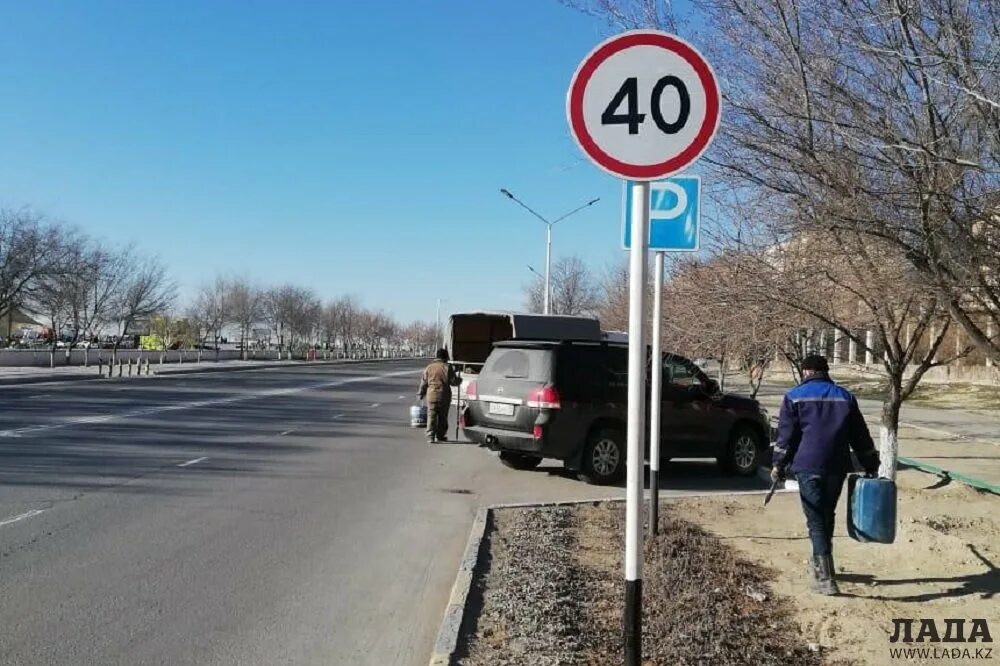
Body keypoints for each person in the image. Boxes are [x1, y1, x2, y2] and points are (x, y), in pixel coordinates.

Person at [771, 354, 880, 595]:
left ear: (806, 372)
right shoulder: (845, 397)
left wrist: (778, 464)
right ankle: (823, 563)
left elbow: (786, 438)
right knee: (826, 514)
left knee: (815, 520)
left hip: (807, 466)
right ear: (825, 371)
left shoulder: (793, 397)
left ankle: (825, 577)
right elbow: (859, 436)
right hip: (836, 467)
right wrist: (871, 462)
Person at [418, 348, 459, 443]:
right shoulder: (447, 367)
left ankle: (430, 436)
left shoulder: (429, 367)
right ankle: (440, 436)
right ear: (445, 357)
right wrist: (459, 380)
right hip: (444, 396)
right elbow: (453, 382)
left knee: (431, 416)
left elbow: (424, 382)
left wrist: (420, 393)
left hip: (431, 395)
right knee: (442, 417)